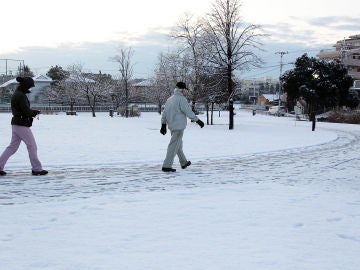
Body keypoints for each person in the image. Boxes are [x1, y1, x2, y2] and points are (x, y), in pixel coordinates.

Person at [0, 76, 48, 176]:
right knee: (32, 146)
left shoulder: (17, 94)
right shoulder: (20, 95)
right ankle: (37, 169)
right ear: (26, 86)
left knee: (12, 147)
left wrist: (32, 112)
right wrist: (35, 112)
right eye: (30, 87)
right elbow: (26, 111)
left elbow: (23, 110)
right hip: (21, 124)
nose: (31, 89)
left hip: (16, 124)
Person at [160, 82, 204, 172]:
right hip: (179, 126)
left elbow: (164, 113)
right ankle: (166, 165)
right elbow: (188, 112)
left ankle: (183, 162)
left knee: (178, 145)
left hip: (172, 126)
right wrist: (198, 120)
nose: (186, 91)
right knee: (173, 145)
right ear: (182, 89)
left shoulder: (170, 99)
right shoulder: (181, 99)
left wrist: (163, 125)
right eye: (185, 89)